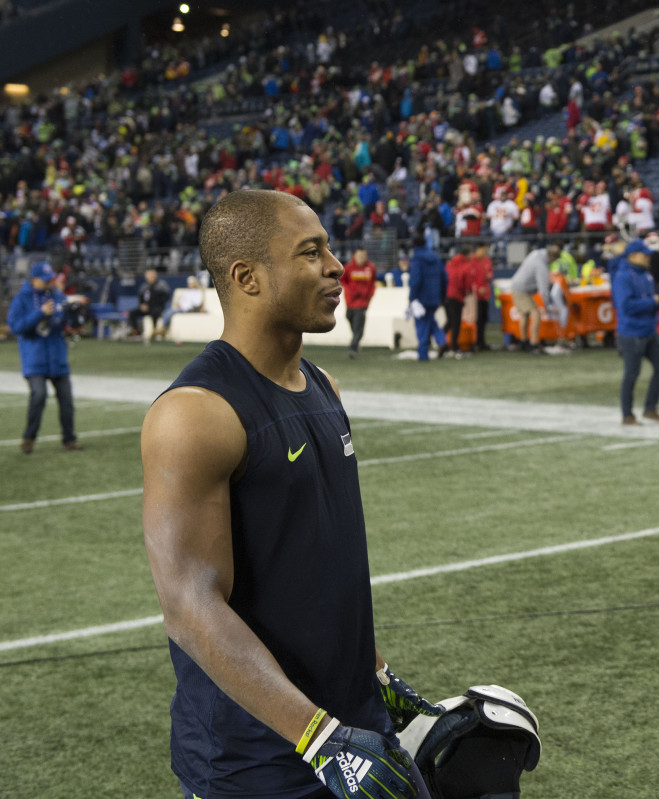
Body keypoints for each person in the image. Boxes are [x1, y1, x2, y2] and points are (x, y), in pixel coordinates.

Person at [140, 190, 444, 799]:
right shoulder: (195, 414)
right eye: (312, 252)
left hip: (352, 733)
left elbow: (323, 570)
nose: (337, 266)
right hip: (258, 761)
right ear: (246, 277)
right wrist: (318, 736)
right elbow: (190, 606)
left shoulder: (323, 385)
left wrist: (378, 676)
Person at [7, 260, 80, 454]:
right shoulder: (21, 299)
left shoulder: (58, 295)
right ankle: (28, 438)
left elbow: (68, 322)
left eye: (50, 279)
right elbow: (16, 327)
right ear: (34, 279)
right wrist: (39, 314)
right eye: (45, 280)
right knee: (38, 395)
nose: (49, 283)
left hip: (57, 357)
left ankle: (69, 439)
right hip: (35, 358)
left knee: (66, 400)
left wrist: (75, 314)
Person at [613, 238, 659, 426]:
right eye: (644, 255)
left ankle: (650, 408)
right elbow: (625, 306)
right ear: (633, 255)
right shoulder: (623, 277)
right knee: (631, 374)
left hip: (649, 330)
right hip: (631, 333)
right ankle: (627, 415)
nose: (648, 258)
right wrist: (654, 301)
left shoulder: (646, 275)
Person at [509, 243, 561, 354]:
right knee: (536, 313)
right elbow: (543, 289)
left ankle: (523, 342)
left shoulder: (537, 253)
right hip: (521, 289)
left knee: (525, 314)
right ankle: (533, 344)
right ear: (552, 256)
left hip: (518, 286)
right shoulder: (541, 264)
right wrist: (548, 306)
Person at [408, 233, 449, 361]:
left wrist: (412, 297)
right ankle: (441, 340)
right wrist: (442, 295)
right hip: (435, 296)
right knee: (430, 320)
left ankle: (423, 354)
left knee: (422, 325)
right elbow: (445, 278)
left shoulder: (417, 259)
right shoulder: (436, 258)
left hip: (421, 297)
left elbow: (416, 280)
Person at [340, 247, 378, 358]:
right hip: (350, 302)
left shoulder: (370, 268)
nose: (362, 258)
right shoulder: (348, 268)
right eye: (360, 256)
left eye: (364, 256)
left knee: (359, 326)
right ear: (354, 256)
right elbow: (344, 282)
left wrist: (369, 296)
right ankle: (356, 340)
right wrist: (350, 293)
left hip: (362, 303)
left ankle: (353, 347)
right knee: (350, 318)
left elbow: (373, 283)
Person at [444, 244, 474, 356]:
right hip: (456, 297)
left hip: (446, 295)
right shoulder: (466, 265)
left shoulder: (451, 263)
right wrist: (469, 291)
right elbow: (466, 283)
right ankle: (454, 347)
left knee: (450, 322)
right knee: (455, 323)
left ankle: (441, 342)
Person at [130, 267, 173, 342]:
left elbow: (165, 298)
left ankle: (154, 332)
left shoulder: (161, 285)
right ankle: (136, 332)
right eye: (148, 276)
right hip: (146, 308)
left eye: (151, 276)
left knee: (154, 312)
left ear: (155, 276)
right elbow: (141, 298)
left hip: (158, 308)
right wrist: (142, 305)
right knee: (132, 313)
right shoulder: (145, 287)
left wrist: (150, 305)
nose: (149, 278)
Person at [470, 243, 494, 351]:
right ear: (478, 249)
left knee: (483, 319)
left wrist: (489, 277)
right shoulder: (472, 261)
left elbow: (490, 275)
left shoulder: (487, 261)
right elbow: (470, 278)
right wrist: (476, 289)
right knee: (476, 319)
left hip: (485, 295)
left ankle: (481, 342)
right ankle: (474, 341)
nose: (485, 252)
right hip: (474, 296)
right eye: (483, 250)